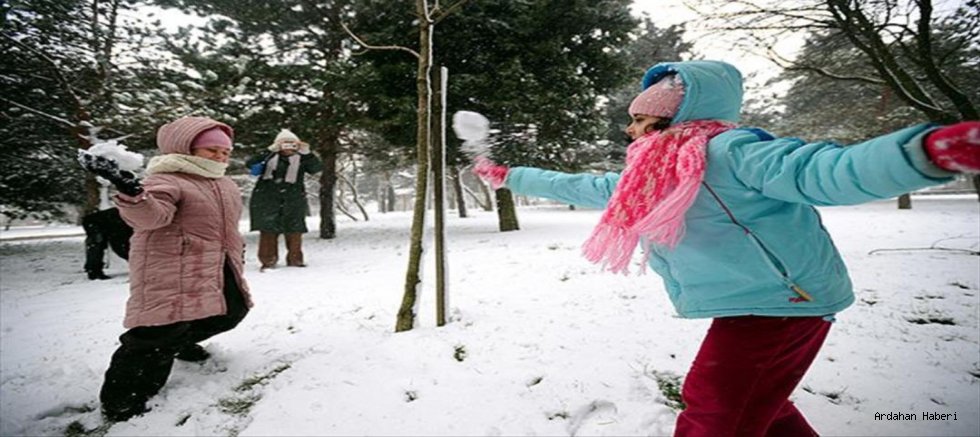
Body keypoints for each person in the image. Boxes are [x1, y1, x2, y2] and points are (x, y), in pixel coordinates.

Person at [472, 60, 980, 436]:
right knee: (761, 403)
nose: (630, 130)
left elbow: (823, 170)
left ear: (671, 119)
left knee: (715, 408)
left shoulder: (734, 151)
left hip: (787, 299)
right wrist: (512, 176)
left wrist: (923, 153)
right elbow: (586, 186)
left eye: (640, 120)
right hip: (753, 301)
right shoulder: (649, 176)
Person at [78, 116, 254, 422]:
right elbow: (151, 217)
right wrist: (132, 193)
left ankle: (179, 344)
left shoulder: (223, 183)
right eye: (211, 150)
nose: (220, 156)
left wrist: (235, 249)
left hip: (216, 263)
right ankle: (122, 401)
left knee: (231, 310)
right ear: (186, 148)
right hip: (172, 267)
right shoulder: (167, 179)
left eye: (225, 151)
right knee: (154, 337)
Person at [245, 129, 323, 270]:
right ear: (278, 145)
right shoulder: (269, 156)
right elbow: (250, 163)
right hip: (267, 198)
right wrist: (269, 150)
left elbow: (316, 168)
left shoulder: (302, 158)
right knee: (268, 230)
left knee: (294, 230)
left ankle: (295, 260)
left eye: (292, 144)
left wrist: (308, 153)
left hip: (293, 198)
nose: (288, 147)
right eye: (284, 144)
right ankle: (268, 261)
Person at [82, 206, 133, 280]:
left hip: (101, 223)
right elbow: (120, 247)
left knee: (96, 246)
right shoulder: (124, 224)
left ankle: (92, 269)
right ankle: (93, 271)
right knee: (97, 246)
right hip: (94, 223)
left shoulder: (128, 220)